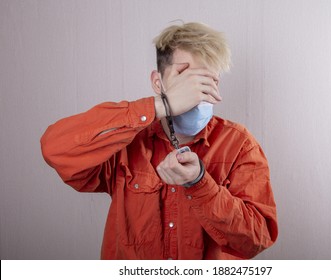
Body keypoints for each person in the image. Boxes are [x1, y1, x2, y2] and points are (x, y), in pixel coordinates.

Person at [41, 22, 278, 260]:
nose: (195, 90)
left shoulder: (239, 144)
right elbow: (56, 148)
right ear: (158, 82)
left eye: (207, 80)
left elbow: (256, 239)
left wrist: (200, 184)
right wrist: (160, 106)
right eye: (184, 76)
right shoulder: (127, 140)